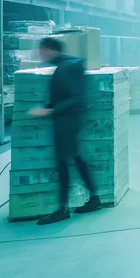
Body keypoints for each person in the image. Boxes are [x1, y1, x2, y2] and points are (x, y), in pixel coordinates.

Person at [30, 37, 101, 224]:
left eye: (42, 50)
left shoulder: (66, 68)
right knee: (75, 158)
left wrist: (51, 110)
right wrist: (49, 106)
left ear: (49, 49)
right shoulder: (65, 65)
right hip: (67, 121)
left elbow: (78, 98)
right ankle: (94, 199)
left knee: (62, 163)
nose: (40, 54)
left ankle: (63, 208)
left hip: (66, 122)